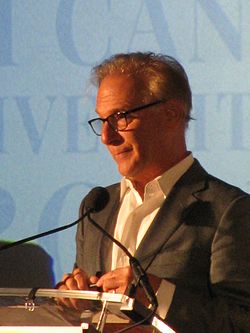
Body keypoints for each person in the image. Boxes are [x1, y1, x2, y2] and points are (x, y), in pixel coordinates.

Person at [57, 52, 250, 332]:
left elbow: (242, 322)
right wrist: (72, 297)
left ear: (171, 114)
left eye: (120, 117)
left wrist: (158, 295)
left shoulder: (229, 210)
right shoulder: (97, 206)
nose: (106, 137)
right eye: (102, 121)